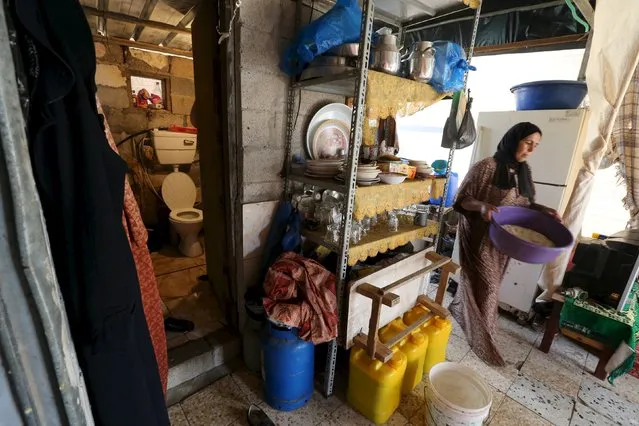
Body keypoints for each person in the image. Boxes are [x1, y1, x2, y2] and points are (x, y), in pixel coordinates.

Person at [448, 122, 561, 366]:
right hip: (478, 236)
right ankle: (485, 341)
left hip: (502, 240)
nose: (531, 149)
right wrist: (481, 206)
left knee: (488, 286)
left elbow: (524, 206)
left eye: (536, 146)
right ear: (514, 139)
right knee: (488, 287)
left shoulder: (522, 171)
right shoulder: (486, 167)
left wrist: (545, 211)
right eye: (527, 142)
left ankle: (463, 314)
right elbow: (461, 200)